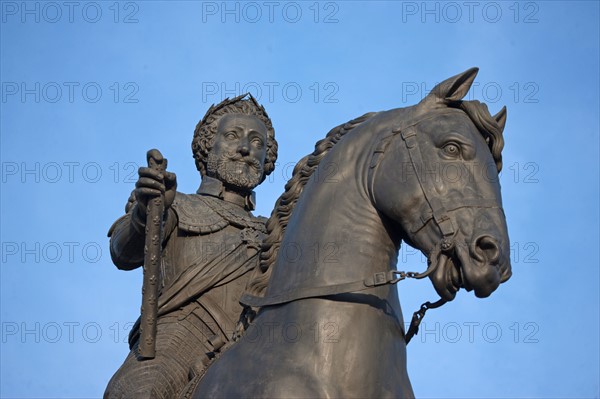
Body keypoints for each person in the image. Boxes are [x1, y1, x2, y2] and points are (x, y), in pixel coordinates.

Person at [104, 94, 278, 399]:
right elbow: (123, 252)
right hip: (179, 339)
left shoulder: (276, 231)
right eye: (233, 136)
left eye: (257, 143)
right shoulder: (173, 203)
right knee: (139, 392)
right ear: (207, 147)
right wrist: (146, 210)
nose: (245, 149)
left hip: (257, 350)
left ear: (267, 162)